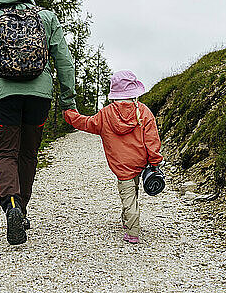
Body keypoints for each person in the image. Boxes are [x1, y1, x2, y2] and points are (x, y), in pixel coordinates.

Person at [0, 0, 76, 245]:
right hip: (38, 96)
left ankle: (11, 205)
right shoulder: (47, 17)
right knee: (29, 153)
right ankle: (23, 207)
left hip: (4, 96)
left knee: (6, 152)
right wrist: (67, 101)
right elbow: (64, 61)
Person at [63, 70, 163, 244]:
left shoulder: (106, 114)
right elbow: (152, 139)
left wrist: (70, 115)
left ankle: (133, 232)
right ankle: (127, 219)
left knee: (128, 195)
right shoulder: (144, 112)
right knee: (134, 191)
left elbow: (86, 123)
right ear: (134, 93)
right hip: (140, 162)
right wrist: (154, 160)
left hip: (121, 166)